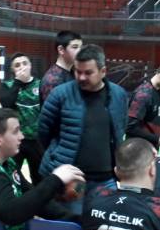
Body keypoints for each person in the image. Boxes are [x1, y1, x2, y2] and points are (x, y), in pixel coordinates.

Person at [37, 44, 128, 214]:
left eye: (88, 72)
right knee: (72, 223)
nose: (81, 77)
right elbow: (43, 132)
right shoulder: (60, 94)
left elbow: (120, 128)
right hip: (72, 182)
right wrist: (57, 157)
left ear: (103, 71)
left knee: (102, 224)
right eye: (78, 72)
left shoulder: (119, 95)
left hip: (106, 180)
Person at [0, 52, 44, 183]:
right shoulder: (7, 86)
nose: (22, 67)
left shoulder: (41, 85)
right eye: (17, 65)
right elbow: (6, 103)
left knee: (39, 176)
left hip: (37, 140)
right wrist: (18, 82)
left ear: (30, 66)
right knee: (13, 176)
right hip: (16, 140)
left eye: (25, 63)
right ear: (12, 69)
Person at [126, 60, 160, 151]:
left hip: (148, 150)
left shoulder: (157, 92)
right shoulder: (143, 94)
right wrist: (158, 139)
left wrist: (157, 141)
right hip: (137, 152)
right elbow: (130, 127)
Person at [39, 30, 82, 103]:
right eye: (75, 47)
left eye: (80, 47)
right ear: (61, 50)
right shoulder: (53, 79)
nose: (80, 51)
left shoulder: (72, 72)